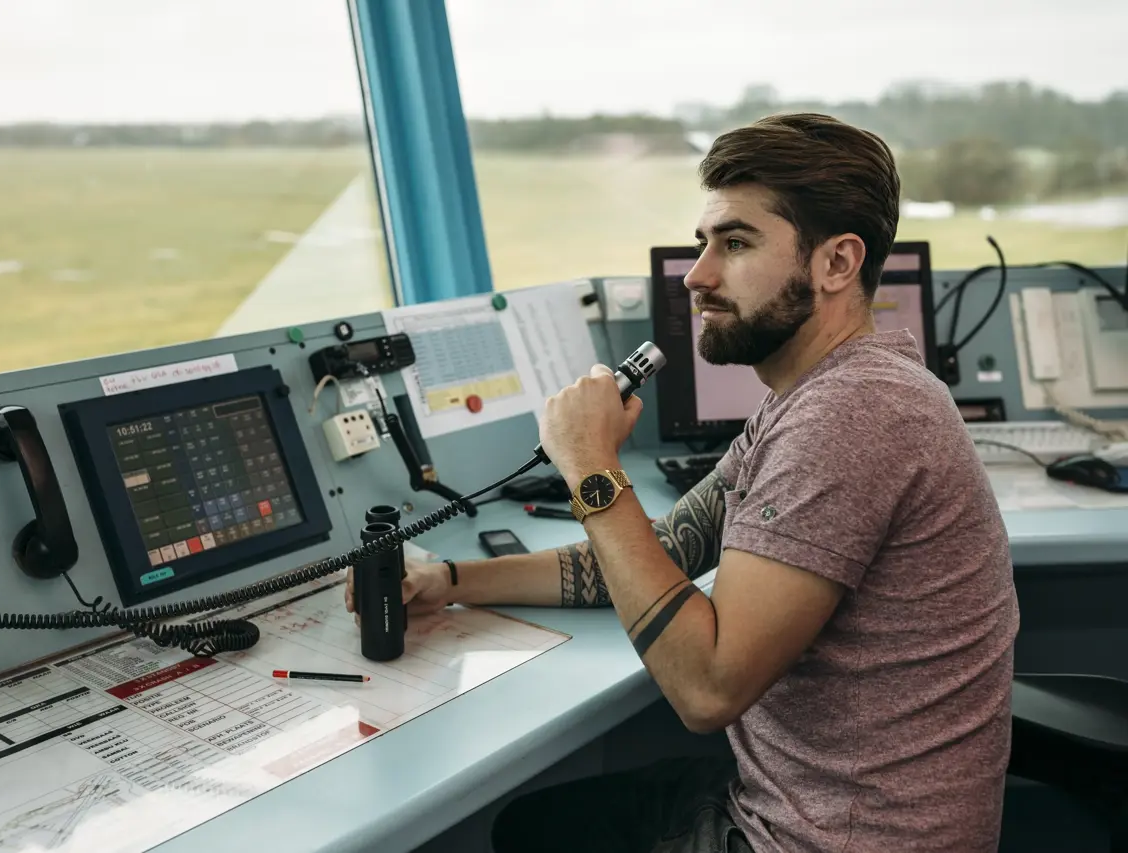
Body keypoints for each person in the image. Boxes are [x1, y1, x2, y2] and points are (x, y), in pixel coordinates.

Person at [345, 112, 1019, 852]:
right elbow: (658, 550)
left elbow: (707, 689)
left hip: (826, 840)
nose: (697, 274)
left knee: (535, 831)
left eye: (735, 243)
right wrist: (450, 578)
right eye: (704, 243)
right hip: (823, 811)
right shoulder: (821, 393)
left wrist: (592, 467)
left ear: (836, 263)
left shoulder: (852, 415)